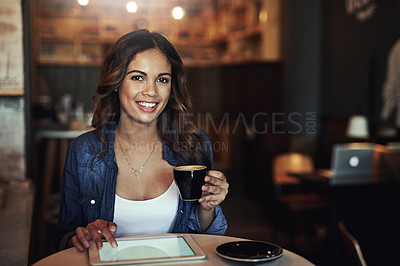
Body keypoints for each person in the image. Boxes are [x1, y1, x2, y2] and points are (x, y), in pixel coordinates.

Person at [56, 29, 229, 252]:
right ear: (117, 81)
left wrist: (209, 207)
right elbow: (64, 238)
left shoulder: (194, 144)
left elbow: (204, 238)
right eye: (138, 77)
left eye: (162, 80)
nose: (151, 91)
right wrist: (81, 237)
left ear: (171, 86)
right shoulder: (84, 151)